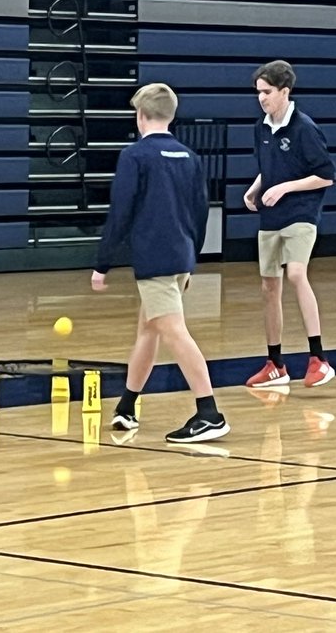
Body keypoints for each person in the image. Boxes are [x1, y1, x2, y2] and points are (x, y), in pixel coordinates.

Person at [91, 83, 229, 444]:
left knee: (173, 331)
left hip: (154, 259)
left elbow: (120, 212)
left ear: (140, 116)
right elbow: (201, 213)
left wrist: (103, 263)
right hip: (181, 255)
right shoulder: (189, 157)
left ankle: (209, 412)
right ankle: (127, 406)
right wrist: (191, 255)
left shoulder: (135, 156)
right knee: (149, 330)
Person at [243, 60, 336, 390]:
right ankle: (275, 365)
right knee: (269, 287)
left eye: (267, 92)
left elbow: (325, 175)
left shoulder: (304, 128)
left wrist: (285, 187)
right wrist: (257, 186)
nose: (262, 98)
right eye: (258, 93)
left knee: (296, 273)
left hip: (301, 213)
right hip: (271, 218)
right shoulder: (260, 128)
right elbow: (270, 167)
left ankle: (318, 359)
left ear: (285, 91)